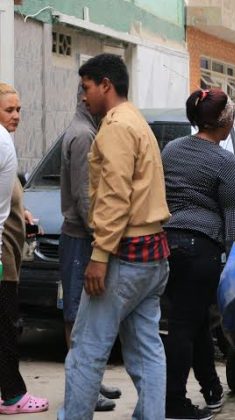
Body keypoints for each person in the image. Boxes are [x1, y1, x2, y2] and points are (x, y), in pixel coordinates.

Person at [62, 53, 171, 420]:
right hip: (151, 257)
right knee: (146, 351)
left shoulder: (116, 127)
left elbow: (114, 196)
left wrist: (100, 255)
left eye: (86, 87)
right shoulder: (135, 121)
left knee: (86, 349)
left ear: (106, 85)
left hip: (124, 257)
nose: (83, 96)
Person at [161, 88, 235, 420]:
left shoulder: (172, 149)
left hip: (166, 246)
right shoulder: (226, 162)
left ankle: (211, 389)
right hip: (200, 252)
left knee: (194, 322)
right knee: (182, 327)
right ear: (227, 119)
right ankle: (174, 403)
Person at [58, 85, 120, 413]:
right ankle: (83, 390)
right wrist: (100, 235)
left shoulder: (86, 130)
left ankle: (90, 382)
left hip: (80, 235)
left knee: (86, 314)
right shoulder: (83, 135)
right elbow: (85, 195)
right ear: (85, 97)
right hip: (80, 236)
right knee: (77, 317)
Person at [0, 84, 49, 415]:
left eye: (19, 109)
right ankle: (13, 395)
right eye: (9, 110)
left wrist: (23, 211)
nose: (16, 115)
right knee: (6, 323)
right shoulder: (3, 144)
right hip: (1, 253)